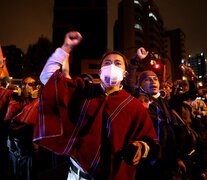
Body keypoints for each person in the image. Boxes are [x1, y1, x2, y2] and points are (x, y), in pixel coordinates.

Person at [35, 31, 159, 180]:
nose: (112, 66)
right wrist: (66, 47)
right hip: (77, 175)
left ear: (125, 74)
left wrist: (141, 147)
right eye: (107, 63)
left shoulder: (134, 106)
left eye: (117, 63)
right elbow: (47, 77)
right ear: (99, 72)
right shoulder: (83, 90)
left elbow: (150, 140)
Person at [0, 74, 41, 180]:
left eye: (30, 84)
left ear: (36, 87)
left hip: (28, 154)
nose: (26, 87)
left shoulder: (39, 103)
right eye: (24, 84)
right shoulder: (13, 100)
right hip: (11, 152)